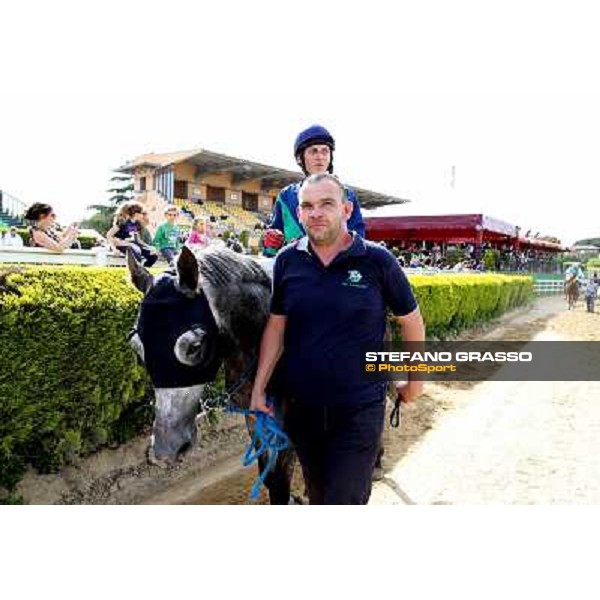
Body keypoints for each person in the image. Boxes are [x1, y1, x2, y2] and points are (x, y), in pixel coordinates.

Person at [250, 173, 425, 504]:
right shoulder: (287, 261)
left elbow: (411, 320)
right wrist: (259, 387)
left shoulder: (377, 260)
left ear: (346, 209)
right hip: (303, 409)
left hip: (359, 410)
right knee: (318, 494)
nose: (316, 213)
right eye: (307, 206)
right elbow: (276, 326)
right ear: (299, 214)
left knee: (343, 498)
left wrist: (416, 382)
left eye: (326, 204)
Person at [262, 125, 365, 257]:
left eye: (325, 151)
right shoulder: (286, 196)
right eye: (313, 151)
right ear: (300, 158)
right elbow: (272, 244)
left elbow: (359, 240)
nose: (320, 157)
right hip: (295, 272)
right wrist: (270, 242)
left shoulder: (347, 195)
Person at [106, 201, 158, 267]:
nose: (143, 215)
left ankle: (144, 270)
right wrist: (114, 249)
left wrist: (149, 247)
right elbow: (109, 235)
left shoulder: (137, 224)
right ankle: (136, 271)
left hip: (133, 245)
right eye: (142, 213)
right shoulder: (123, 222)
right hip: (122, 245)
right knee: (136, 250)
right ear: (136, 214)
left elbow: (138, 240)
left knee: (153, 255)